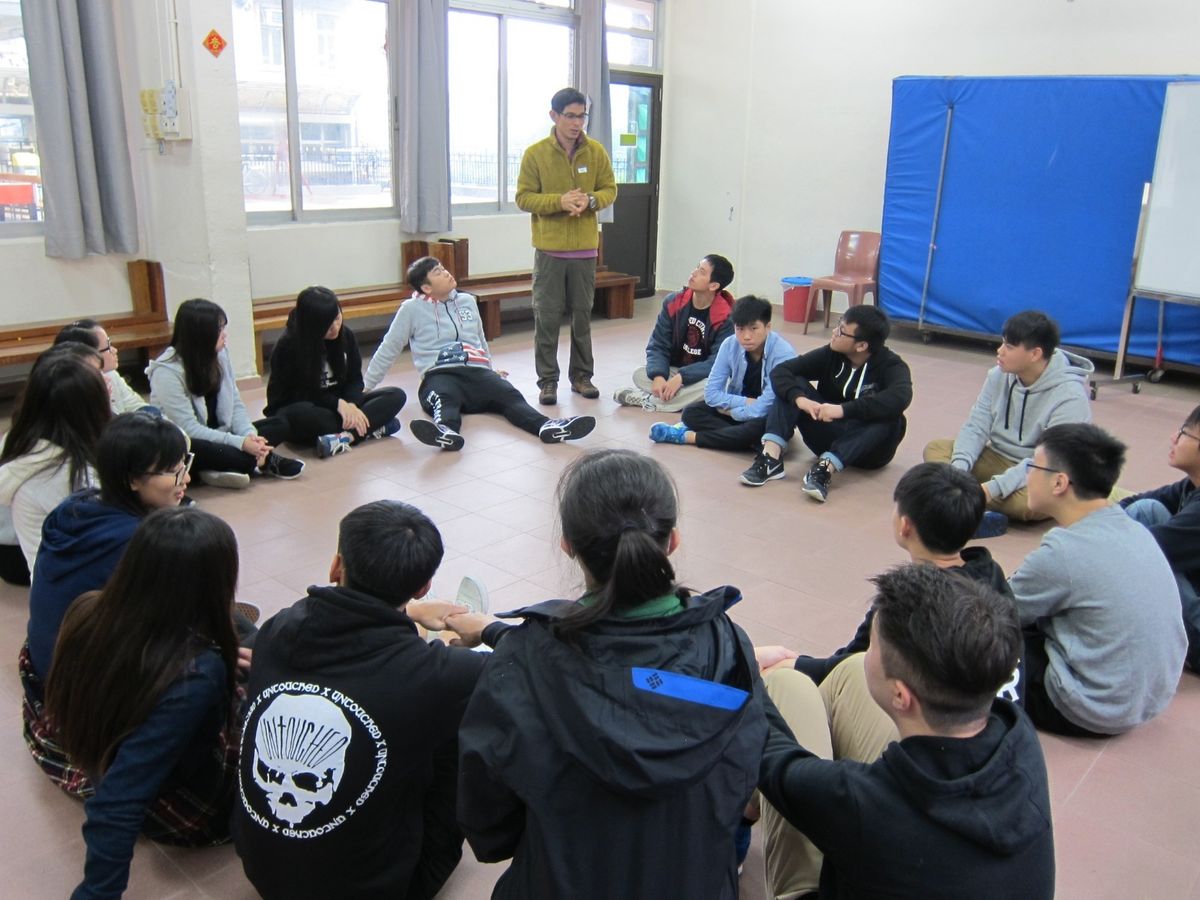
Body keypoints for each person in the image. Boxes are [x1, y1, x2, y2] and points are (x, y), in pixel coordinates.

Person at [447, 449, 767, 899]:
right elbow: (742, 782)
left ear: (568, 545)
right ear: (672, 540)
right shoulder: (726, 648)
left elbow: (489, 826)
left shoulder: (521, 663)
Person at [232, 500, 485, 900]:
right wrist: (485, 631)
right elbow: (531, 665)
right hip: (385, 890)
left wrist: (410, 613)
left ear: (335, 566)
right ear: (423, 586)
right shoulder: (444, 674)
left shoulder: (280, 627)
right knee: (459, 720)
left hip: (262, 873)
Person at [757, 565, 1054, 900]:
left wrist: (745, 663)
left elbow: (776, 762)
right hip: (929, 860)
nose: (866, 653)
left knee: (785, 687)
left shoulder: (866, 804)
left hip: (876, 832)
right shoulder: (1018, 733)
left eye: (871, 646)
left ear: (900, 695)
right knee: (850, 672)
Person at [44, 507, 247, 899]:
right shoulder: (197, 674)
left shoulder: (87, 608)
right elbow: (119, 800)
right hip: (181, 798)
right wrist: (97, 892)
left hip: (99, 749)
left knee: (246, 633)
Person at [22, 414, 193, 779]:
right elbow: (172, 624)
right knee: (216, 667)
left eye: (184, 466)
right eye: (172, 472)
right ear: (132, 479)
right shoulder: (138, 540)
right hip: (87, 692)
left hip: (46, 673)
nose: (185, 480)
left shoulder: (76, 507)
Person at [776, 462, 1021, 703]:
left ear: (905, 526)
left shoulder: (907, 597)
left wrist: (791, 665)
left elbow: (850, 665)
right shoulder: (990, 571)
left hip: (943, 715)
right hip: (1002, 712)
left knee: (785, 683)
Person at [1012, 423, 1185, 736]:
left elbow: (1000, 609)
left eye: (1032, 466)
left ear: (1059, 482)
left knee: (976, 637)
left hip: (1088, 708)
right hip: (1147, 701)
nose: (1026, 476)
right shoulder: (1133, 529)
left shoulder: (1064, 551)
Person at [363, 256, 595, 451]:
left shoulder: (467, 301)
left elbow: (479, 339)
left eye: (443, 268)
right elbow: (389, 347)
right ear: (426, 288)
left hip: (476, 371)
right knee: (445, 398)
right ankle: (446, 432)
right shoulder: (411, 309)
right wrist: (366, 387)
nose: (446, 273)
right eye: (438, 273)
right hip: (440, 374)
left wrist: (489, 369)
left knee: (509, 395)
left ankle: (547, 426)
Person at [924, 309, 1093, 535]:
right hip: (998, 457)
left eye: (1009, 347)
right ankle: (970, 503)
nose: (1000, 351)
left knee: (1029, 505)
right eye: (1003, 343)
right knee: (936, 450)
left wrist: (990, 489)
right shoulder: (998, 375)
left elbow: (1047, 461)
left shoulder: (1070, 397)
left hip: (1044, 471)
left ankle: (963, 502)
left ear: (1035, 354)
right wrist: (958, 473)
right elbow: (976, 425)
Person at [740, 304, 912, 503]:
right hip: (827, 435)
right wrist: (800, 399)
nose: (834, 332)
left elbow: (901, 396)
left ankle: (825, 469)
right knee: (793, 384)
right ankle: (771, 458)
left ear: (861, 346)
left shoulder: (892, 365)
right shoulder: (832, 354)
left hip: (869, 451)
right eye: (838, 325)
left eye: (841, 331)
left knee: (893, 417)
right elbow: (781, 371)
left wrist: (842, 410)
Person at [516, 87, 617, 406]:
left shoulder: (596, 152)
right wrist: (559, 202)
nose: (577, 123)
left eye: (581, 116)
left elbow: (610, 189)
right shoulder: (535, 154)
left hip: (585, 252)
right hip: (550, 252)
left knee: (582, 318)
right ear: (554, 116)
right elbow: (524, 198)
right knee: (546, 319)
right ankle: (547, 381)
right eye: (570, 116)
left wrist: (590, 201)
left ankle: (582, 377)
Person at [149, 298, 304, 488]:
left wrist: (249, 435)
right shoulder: (167, 372)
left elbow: (235, 403)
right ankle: (262, 461)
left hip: (223, 433)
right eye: (219, 329)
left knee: (280, 424)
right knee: (208, 450)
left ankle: (224, 466)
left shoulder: (220, 355)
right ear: (200, 334)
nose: (225, 334)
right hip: (188, 442)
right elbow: (188, 429)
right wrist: (240, 443)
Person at [0, 344, 110, 583]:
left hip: (54, 582)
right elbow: (105, 545)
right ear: (90, 406)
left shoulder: (29, 443)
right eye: (100, 378)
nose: (109, 382)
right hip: (73, 589)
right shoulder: (66, 473)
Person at [264, 286, 407, 459]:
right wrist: (337, 404)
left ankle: (346, 437)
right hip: (306, 407)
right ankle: (371, 428)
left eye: (337, 318)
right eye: (326, 324)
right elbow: (296, 394)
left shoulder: (346, 335)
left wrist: (352, 404)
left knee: (396, 395)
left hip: (340, 406)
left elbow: (355, 380)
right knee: (303, 417)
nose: (335, 327)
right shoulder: (289, 345)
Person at [648, 294, 797, 451]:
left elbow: (765, 406)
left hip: (766, 416)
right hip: (739, 407)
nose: (746, 336)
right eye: (740, 329)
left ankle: (689, 437)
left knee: (756, 428)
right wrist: (746, 402)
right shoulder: (730, 345)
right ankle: (747, 440)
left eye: (754, 328)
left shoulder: (783, 354)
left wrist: (731, 413)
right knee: (690, 412)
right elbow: (711, 394)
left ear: (768, 327)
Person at [1120, 405, 1200, 671]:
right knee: (1146, 510)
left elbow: (1144, 549)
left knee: (1144, 555)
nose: (1173, 438)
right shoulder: (1191, 485)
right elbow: (1132, 503)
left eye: (1184, 433)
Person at [614, 254, 736, 412]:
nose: (694, 273)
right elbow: (658, 344)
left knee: (722, 385)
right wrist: (659, 376)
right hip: (675, 370)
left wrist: (683, 378)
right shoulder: (674, 302)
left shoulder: (726, 316)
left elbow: (718, 361)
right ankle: (681, 399)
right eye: (697, 267)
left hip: (701, 376)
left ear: (713, 286)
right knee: (639, 374)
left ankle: (648, 400)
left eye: (702, 272)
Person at [55, 319, 154, 415]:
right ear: (89, 355)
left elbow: (137, 405)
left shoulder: (111, 374)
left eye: (110, 343)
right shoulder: (73, 392)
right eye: (108, 346)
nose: (115, 350)